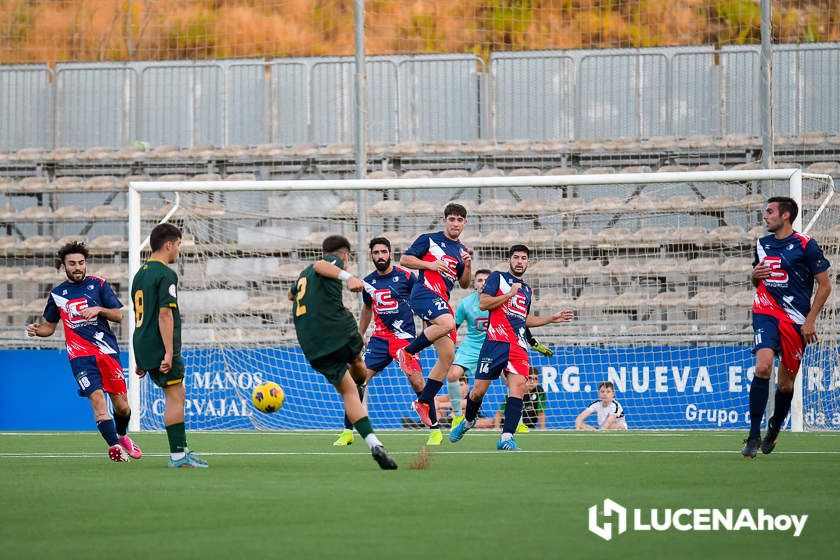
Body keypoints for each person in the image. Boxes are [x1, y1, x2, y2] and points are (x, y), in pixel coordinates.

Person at [449, 244, 573, 450]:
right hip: (494, 343)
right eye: (516, 257)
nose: (519, 261)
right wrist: (508, 295)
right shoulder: (498, 278)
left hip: (517, 346)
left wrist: (551, 318)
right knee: (478, 392)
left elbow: (523, 320)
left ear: (528, 262)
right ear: (510, 260)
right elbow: (484, 304)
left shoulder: (527, 290)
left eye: (524, 258)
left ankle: (506, 438)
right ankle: (469, 421)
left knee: (518, 388)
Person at [27, 241, 142, 463]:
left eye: (81, 263)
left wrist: (99, 309)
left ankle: (122, 435)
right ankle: (115, 447)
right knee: (97, 400)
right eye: (72, 263)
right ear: (64, 266)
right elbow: (49, 328)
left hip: (107, 353)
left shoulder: (98, 285)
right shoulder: (58, 294)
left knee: (122, 407)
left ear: (86, 263)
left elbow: (118, 316)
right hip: (80, 358)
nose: (77, 267)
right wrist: (36, 330)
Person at [290, 234, 398, 469]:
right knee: (358, 363)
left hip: (310, 344)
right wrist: (348, 277)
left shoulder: (301, 276)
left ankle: (374, 444)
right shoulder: (330, 261)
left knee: (348, 391)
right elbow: (320, 265)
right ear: (345, 254)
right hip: (335, 329)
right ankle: (359, 371)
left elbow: (291, 295)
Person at [742, 196, 832, 458]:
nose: (765, 216)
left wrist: (810, 320)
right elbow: (757, 280)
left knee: (785, 385)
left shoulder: (806, 245)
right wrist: (753, 277)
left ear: (785, 216)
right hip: (766, 312)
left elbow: (825, 286)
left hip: (795, 320)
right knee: (762, 367)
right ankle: (753, 435)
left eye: (770, 211)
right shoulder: (761, 244)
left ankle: (775, 427)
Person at [333, 237, 428, 446]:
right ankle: (347, 432)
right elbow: (367, 308)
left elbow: (421, 300)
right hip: (379, 340)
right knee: (357, 380)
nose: (380, 256)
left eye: (383, 252)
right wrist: (360, 333)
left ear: (390, 253)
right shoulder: (368, 282)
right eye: (376, 253)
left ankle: (435, 429)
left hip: (404, 339)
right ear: (371, 256)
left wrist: (425, 327)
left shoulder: (405, 276)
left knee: (417, 381)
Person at [131, 223, 208, 468]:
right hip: (160, 344)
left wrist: (141, 358)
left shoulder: (140, 274)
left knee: (178, 394)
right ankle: (178, 456)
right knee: (175, 397)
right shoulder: (166, 274)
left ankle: (182, 449)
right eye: (178, 245)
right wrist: (169, 351)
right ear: (168, 245)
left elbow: (139, 315)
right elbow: (164, 314)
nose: (178, 250)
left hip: (143, 344)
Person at [447, 269, 553, 431]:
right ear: (474, 284)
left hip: (498, 346)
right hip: (472, 348)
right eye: (479, 280)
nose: (483, 283)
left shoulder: (502, 302)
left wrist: (534, 343)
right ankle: (457, 417)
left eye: (486, 280)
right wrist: (448, 345)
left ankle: (517, 423)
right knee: (455, 376)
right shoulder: (466, 304)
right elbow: (454, 327)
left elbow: (519, 322)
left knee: (515, 383)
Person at [398, 203, 472, 431]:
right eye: (452, 219)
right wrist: (430, 264)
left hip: (442, 300)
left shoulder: (463, 251)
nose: (455, 223)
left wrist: (468, 266)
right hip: (424, 293)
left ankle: (423, 401)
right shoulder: (429, 240)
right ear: (445, 221)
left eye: (459, 220)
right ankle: (407, 352)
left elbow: (464, 283)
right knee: (448, 323)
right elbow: (405, 260)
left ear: (464, 223)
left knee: (448, 357)